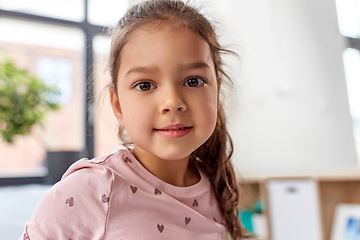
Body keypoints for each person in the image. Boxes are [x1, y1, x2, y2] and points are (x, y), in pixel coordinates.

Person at [21, 0, 251, 239]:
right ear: (118, 105)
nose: (172, 102)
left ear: (216, 93)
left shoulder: (217, 185)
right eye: (145, 85)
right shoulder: (89, 190)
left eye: (193, 81)